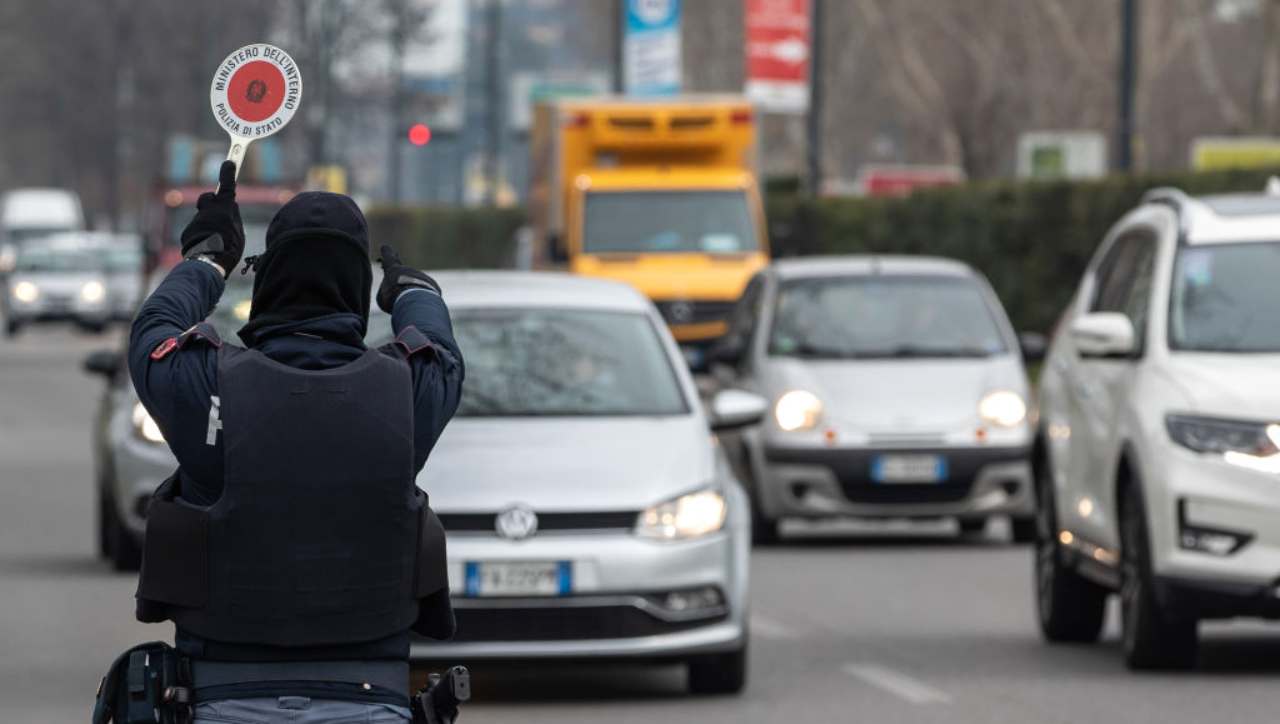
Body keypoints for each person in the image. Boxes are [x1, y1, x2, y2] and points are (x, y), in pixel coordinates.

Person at [124, 161, 463, 723]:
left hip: (220, 697)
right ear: (357, 285)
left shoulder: (206, 385)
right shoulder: (408, 388)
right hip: (369, 694)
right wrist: (416, 291)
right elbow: (443, 352)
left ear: (269, 277)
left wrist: (208, 260)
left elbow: (153, 331)